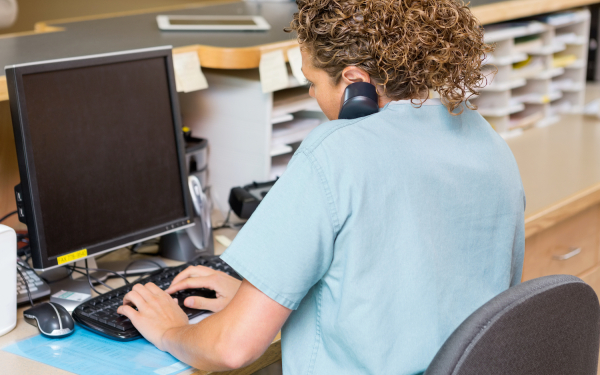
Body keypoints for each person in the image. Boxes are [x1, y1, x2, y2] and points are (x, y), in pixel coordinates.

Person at [117, 0, 525, 373]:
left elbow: (231, 348)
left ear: (353, 81)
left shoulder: (334, 152)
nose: (312, 95)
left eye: (312, 82)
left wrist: (171, 330)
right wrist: (263, 301)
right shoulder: (484, 138)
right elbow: (417, 293)